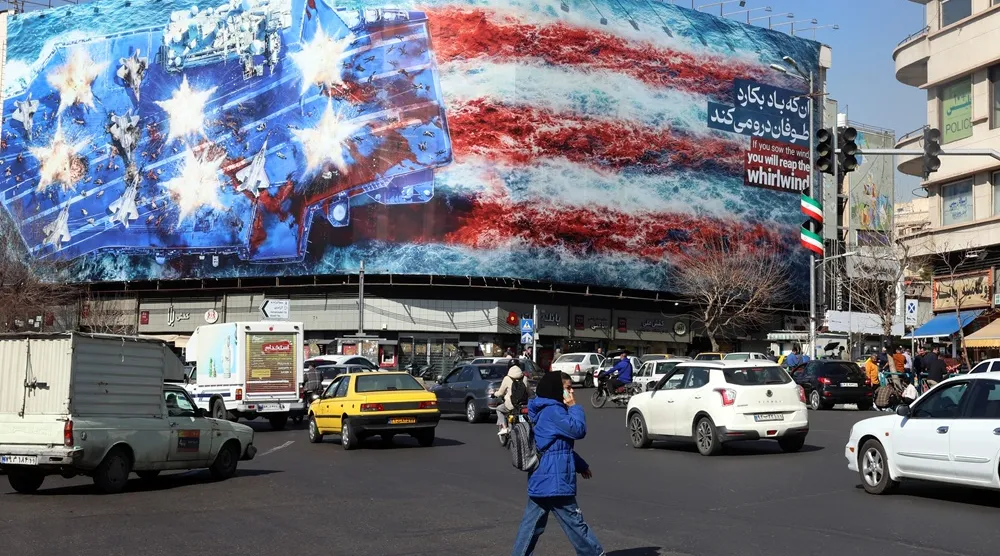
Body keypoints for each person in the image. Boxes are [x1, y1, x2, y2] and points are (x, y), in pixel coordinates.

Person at [511, 372, 603, 556]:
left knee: (530, 527)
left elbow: (558, 448)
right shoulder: (554, 411)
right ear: (556, 390)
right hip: (555, 480)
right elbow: (578, 430)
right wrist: (574, 407)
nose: (571, 392)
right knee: (576, 524)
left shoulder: (547, 410)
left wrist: (581, 465)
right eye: (568, 388)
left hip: (543, 477)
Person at [495, 360, 532, 436]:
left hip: (511, 404)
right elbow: (529, 392)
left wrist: (495, 394)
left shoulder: (507, 378)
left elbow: (500, 393)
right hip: (523, 404)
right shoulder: (524, 378)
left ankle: (504, 428)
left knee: (499, 409)